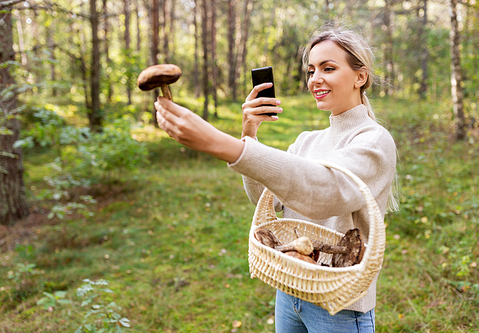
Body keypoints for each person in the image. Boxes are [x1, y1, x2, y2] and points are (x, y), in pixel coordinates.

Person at [155, 23, 397, 333]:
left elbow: (324, 191)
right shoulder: (307, 140)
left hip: (339, 305)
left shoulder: (373, 140)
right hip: (291, 290)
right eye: (311, 70)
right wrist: (248, 135)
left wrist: (225, 145)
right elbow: (266, 199)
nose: (315, 79)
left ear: (360, 76)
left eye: (328, 67)